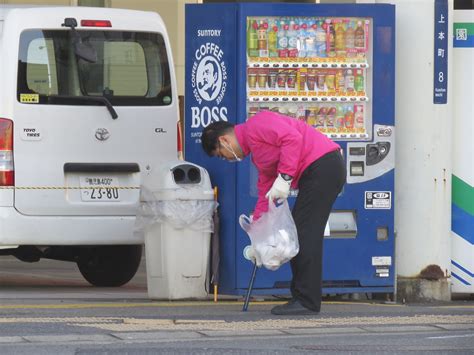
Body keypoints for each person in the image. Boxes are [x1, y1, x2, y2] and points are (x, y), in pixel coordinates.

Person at [201, 110, 346, 316]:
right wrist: (258, 230)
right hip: (317, 172)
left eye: (221, 154)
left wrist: (285, 177)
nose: (226, 158)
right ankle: (304, 297)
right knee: (301, 233)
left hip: (323, 166)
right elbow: (266, 191)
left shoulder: (257, 124)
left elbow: (292, 138)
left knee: (304, 235)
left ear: (224, 140)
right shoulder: (257, 156)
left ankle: (306, 300)